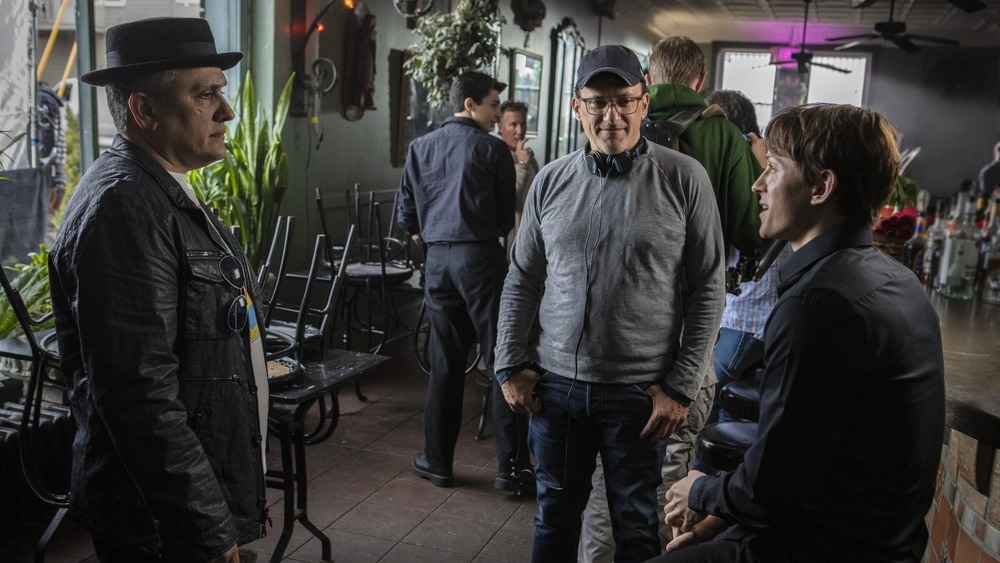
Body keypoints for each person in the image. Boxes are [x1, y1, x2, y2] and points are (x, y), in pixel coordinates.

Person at [652, 104, 945, 563]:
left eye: (771, 168)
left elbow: (771, 492)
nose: (757, 184)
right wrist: (726, 514)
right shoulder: (897, 278)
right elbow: (807, 461)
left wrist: (702, 490)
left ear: (822, 186)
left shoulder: (818, 305)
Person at [495, 44, 725, 563]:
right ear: (577, 107)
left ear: (644, 102)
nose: (611, 115)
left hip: (640, 397)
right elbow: (523, 278)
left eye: (623, 100)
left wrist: (681, 387)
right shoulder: (550, 181)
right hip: (556, 391)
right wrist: (509, 363)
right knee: (553, 518)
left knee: (637, 527)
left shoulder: (684, 179)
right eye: (596, 102)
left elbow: (709, 287)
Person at [48, 18, 267, 562]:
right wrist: (205, 526)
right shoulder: (124, 206)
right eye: (204, 94)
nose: (227, 111)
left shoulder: (159, 188)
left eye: (222, 90)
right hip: (157, 520)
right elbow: (140, 396)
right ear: (144, 110)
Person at [579, 37, 764, 562]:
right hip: (685, 331)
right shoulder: (718, 131)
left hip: (612, 333)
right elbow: (751, 234)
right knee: (665, 470)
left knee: (602, 477)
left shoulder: (605, 121)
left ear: (646, 81)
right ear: (699, 80)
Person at [397, 70, 530, 494]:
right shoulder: (493, 150)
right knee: (501, 361)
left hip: (437, 263)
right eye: (492, 104)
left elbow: (406, 216)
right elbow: (503, 216)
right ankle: (510, 472)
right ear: (469, 104)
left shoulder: (419, 148)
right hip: (481, 259)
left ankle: (438, 463)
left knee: (445, 365)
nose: (496, 113)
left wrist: (430, 235)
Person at [497, 100, 540, 245]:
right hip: (511, 242)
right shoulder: (496, 158)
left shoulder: (529, 157)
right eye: (513, 125)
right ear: (501, 127)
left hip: (531, 237)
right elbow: (507, 201)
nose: (520, 131)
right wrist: (522, 165)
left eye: (523, 124)